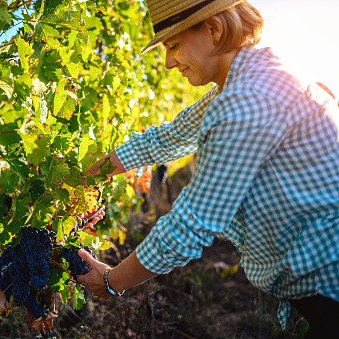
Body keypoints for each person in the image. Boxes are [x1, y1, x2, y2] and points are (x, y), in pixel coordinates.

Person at [76, 0, 339, 337]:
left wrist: (112, 282)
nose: (169, 63)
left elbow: (191, 224)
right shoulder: (246, 79)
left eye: (173, 45)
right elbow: (166, 139)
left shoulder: (249, 99)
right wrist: (85, 176)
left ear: (213, 29)